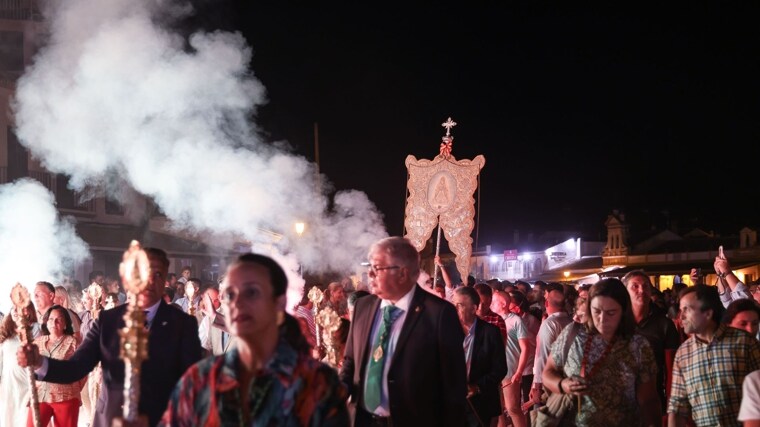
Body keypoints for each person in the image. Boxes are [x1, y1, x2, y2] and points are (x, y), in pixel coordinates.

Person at [17, 247, 203, 427]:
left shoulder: (183, 324)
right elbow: (76, 367)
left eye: (158, 275)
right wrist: (40, 362)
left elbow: (191, 383)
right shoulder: (108, 320)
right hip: (112, 418)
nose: (151, 281)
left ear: (165, 282)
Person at [159, 253, 349, 426]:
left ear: (279, 301)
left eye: (251, 293)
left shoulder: (315, 383)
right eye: (230, 294)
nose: (238, 303)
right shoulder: (200, 379)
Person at [340, 236, 467, 426]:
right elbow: (351, 360)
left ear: (402, 273)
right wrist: (340, 388)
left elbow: (453, 386)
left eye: (377, 268)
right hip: (363, 419)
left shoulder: (438, 314)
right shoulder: (362, 307)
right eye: (370, 268)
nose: (370, 275)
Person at [542, 278, 661, 427]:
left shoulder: (638, 345)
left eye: (611, 313)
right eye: (596, 311)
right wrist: (562, 385)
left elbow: (648, 399)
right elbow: (547, 372)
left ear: (624, 311)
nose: (602, 319)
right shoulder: (573, 334)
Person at [668, 284, 760, 427]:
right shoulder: (683, 353)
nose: (681, 316)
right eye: (681, 310)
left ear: (708, 313)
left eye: (687, 309)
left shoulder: (745, 342)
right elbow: (677, 407)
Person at [621, 270, 681, 412]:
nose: (641, 290)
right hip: (620, 401)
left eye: (646, 286)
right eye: (635, 286)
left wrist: (671, 406)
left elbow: (672, 369)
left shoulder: (664, 325)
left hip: (653, 399)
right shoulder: (617, 322)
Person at [453, 286, 507, 427]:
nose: (454, 309)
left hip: (480, 402)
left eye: (459, 305)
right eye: (453, 304)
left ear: (473, 308)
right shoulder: (447, 331)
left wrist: (477, 387)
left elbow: (500, 369)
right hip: (453, 402)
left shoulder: (490, 332)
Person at [27, 305, 85, 427]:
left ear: (65, 324)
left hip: (66, 397)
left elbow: (83, 369)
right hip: (40, 396)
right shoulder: (37, 343)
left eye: (59, 319)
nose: (54, 322)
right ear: (46, 322)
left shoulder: (73, 343)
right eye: (51, 319)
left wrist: (75, 388)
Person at [530, 282, 573, 407]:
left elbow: (542, 355)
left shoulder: (550, 324)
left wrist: (537, 386)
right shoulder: (571, 321)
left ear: (546, 303)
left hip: (548, 381)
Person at [0, 301, 36, 427]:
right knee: (8, 419)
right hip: (8, 385)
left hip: (27, 385)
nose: (15, 311)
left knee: (25, 419)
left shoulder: (35, 331)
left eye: (18, 308)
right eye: (12, 308)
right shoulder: (5, 333)